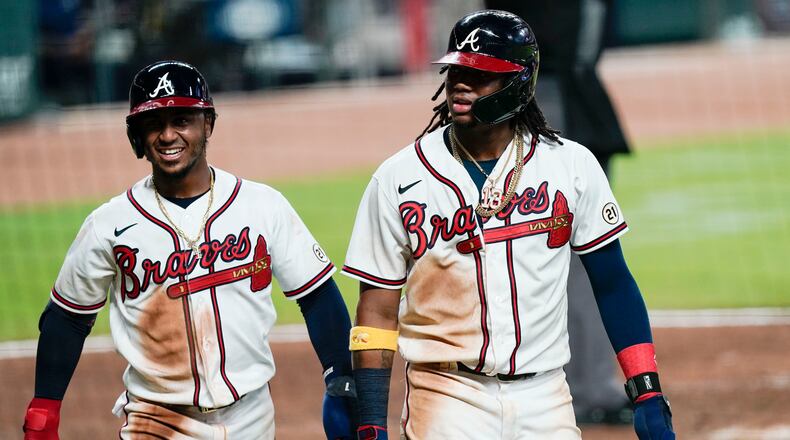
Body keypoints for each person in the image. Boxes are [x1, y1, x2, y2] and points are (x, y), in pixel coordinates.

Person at [342, 10, 674, 440]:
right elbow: (377, 309)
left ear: (519, 82)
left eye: (481, 75)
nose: (461, 84)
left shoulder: (569, 165)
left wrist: (645, 388)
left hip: (547, 397)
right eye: (456, 70)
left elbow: (613, 283)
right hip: (446, 396)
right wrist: (370, 419)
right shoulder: (399, 178)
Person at [22, 60, 356, 439]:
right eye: (154, 124)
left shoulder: (262, 205)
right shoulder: (109, 224)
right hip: (156, 420)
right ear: (136, 137)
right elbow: (68, 318)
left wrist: (340, 375)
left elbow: (317, 296)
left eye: (181, 120)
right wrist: (44, 407)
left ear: (207, 124)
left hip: (252, 417)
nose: (167, 135)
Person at [484, 0, 635, 424]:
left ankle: (567, 385)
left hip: (556, 94)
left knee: (558, 252)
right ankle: (582, 389)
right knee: (562, 253)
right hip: (546, 95)